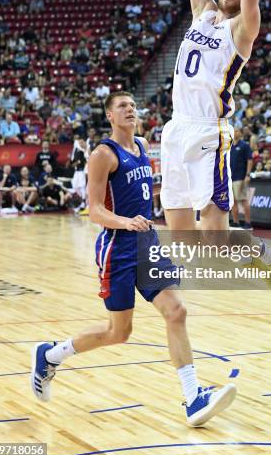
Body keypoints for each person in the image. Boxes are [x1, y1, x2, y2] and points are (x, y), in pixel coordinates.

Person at [31, 91, 236, 426]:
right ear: (109, 116)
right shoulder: (102, 154)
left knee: (177, 310)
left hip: (147, 243)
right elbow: (93, 209)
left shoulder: (142, 146)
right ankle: (51, 355)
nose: (130, 110)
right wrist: (125, 221)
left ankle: (193, 397)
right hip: (117, 247)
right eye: (122, 106)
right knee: (119, 331)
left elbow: (139, 192)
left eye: (132, 106)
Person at [160, 0, 271, 298]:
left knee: (215, 239)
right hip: (176, 129)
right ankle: (253, 256)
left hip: (209, 131)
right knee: (185, 241)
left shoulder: (243, 28)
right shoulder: (202, 13)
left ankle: (269, 255)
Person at [230, 127, 253, 228]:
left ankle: (248, 222)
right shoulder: (229, 146)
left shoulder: (244, 145)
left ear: (241, 133)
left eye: (237, 131)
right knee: (233, 200)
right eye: (234, 131)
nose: (235, 132)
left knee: (243, 199)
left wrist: (247, 174)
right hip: (230, 177)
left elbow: (250, 160)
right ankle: (236, 221)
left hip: (240, 176)